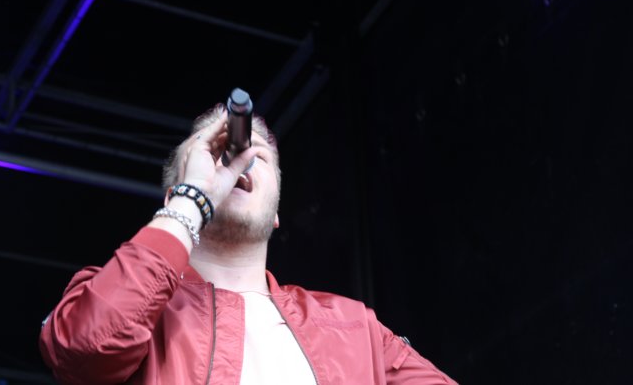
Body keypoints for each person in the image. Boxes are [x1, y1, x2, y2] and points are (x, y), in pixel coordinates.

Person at [39, 104, 457, 385]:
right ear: (174, 197)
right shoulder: (116, 297)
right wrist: (195, 198)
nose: (236, 163)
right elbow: (84, 349)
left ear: (276, 213)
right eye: (214, 154)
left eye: (257, 157)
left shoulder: (354, 327)